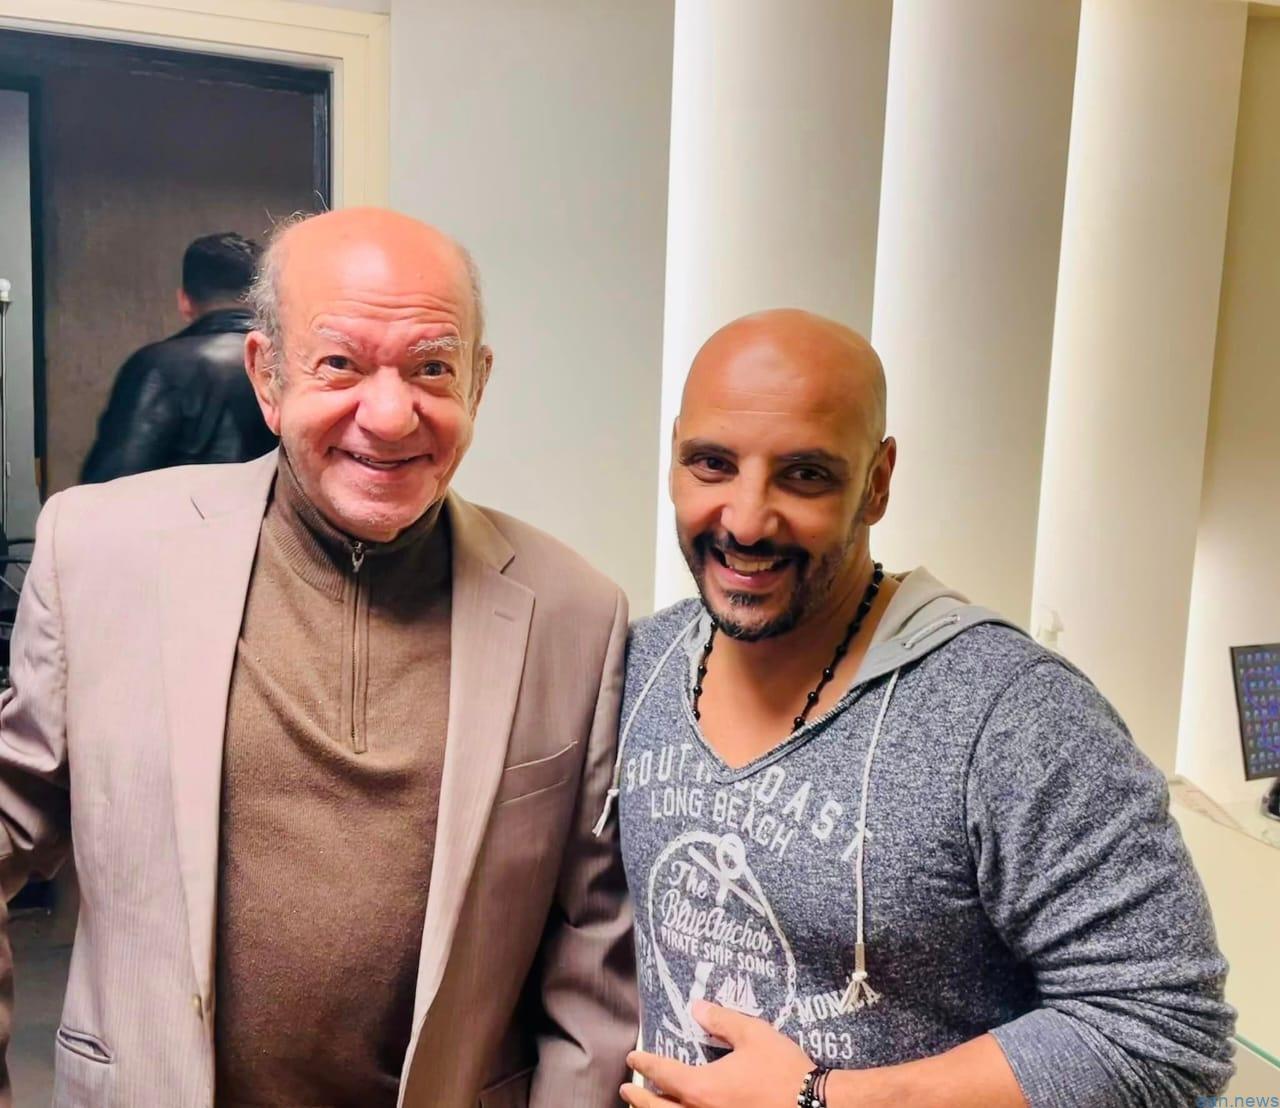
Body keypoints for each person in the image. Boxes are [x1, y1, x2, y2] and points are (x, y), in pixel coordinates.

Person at [0, 208, 635, 1107]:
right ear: (267, 376)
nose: (391, 415)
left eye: (433, 368)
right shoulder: (101, 553)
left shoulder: (575, 614)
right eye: (340, 363)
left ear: (478, 384)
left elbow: (591, 955)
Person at [607, 309, 1234, 1108]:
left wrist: (822, 1099)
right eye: (713, 464)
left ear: (877, 482)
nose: (746, 520)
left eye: (805, 474)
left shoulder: (1015, 716)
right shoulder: (637, 664)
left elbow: (1166, 1030)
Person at [80, 231, 278, 483]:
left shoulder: (157, 366)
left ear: (184, 302)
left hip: (186, 508)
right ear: (263, 302)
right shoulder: (289, 363)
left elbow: (112, 481)